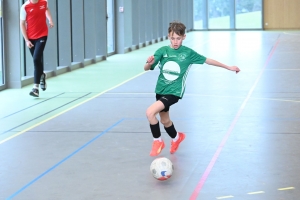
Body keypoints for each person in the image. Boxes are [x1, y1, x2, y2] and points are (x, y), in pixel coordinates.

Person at [144, 21, 240, 156]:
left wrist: (228, 67)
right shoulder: (162, 51)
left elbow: (208, 60)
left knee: (150, 113)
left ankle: (158, 141)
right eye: (173, 38)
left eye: (178, 38)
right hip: (160, 90)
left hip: (174, 92)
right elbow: (146, 68)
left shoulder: (188, 53)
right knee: (165, 120)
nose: (175, 41)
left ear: (184, 37)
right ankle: (177, 138)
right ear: (168, 37)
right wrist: (148, 63)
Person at [20, 0, 54, 97]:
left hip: (42, 35)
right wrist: (27, 40)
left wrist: (50, 20)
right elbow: (22, 24)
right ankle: (42, 75)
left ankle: (35, 88)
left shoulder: (44, 2)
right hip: (30, 37)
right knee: (37, 60)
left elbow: (46, 9)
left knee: (36, 59)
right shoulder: (24, 7)